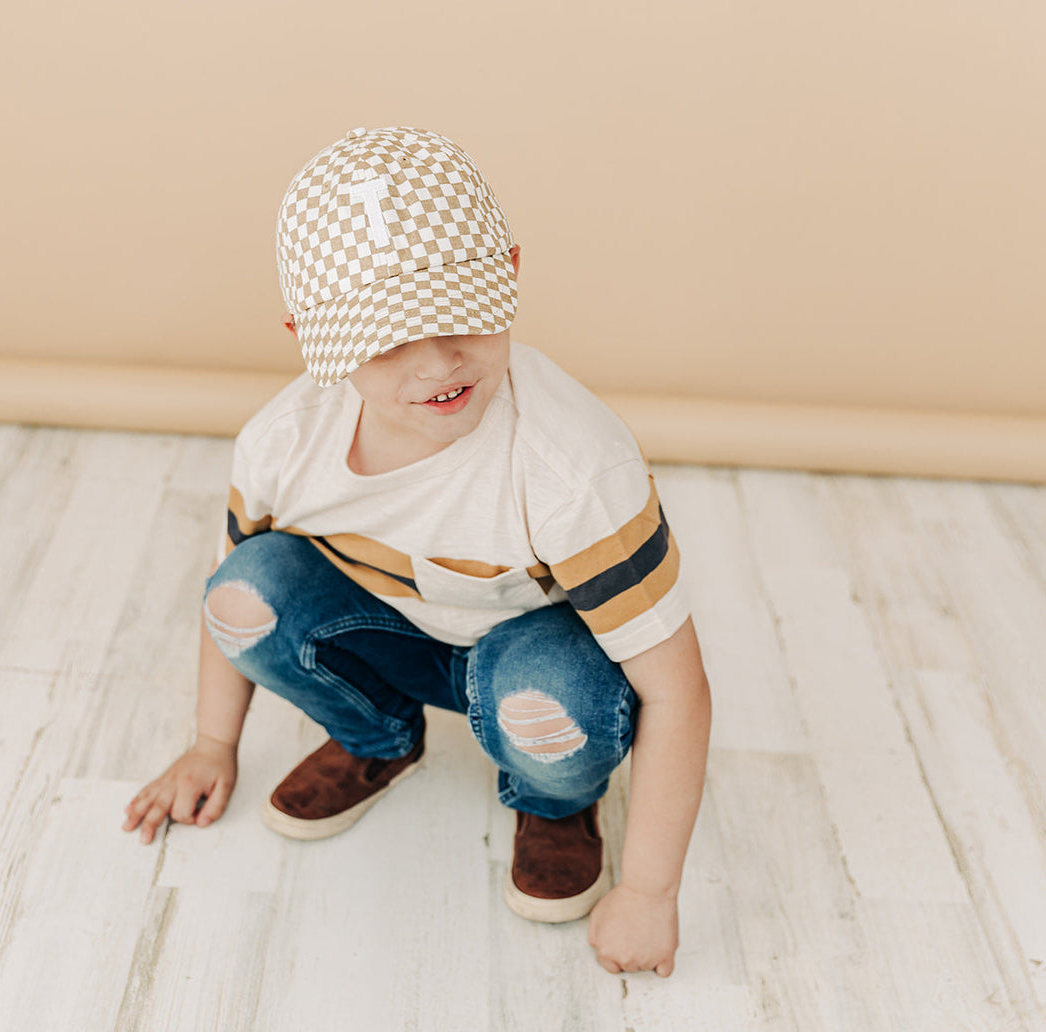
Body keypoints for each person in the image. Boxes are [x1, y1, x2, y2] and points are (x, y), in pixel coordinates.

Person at [122, 127, 712, 977]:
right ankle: (376, 736)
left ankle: (553, 801)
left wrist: (651, 892)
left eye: (459, 314)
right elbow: (233, 580)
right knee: (240, 594)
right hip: (394, 630)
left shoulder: (570, 468)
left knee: (547, 699)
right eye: (388, 336)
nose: (438, 362)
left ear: (507, 270)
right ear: (310, 336)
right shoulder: (284, 441)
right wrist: (213, 744)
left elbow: (678, 689)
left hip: (532, 654)